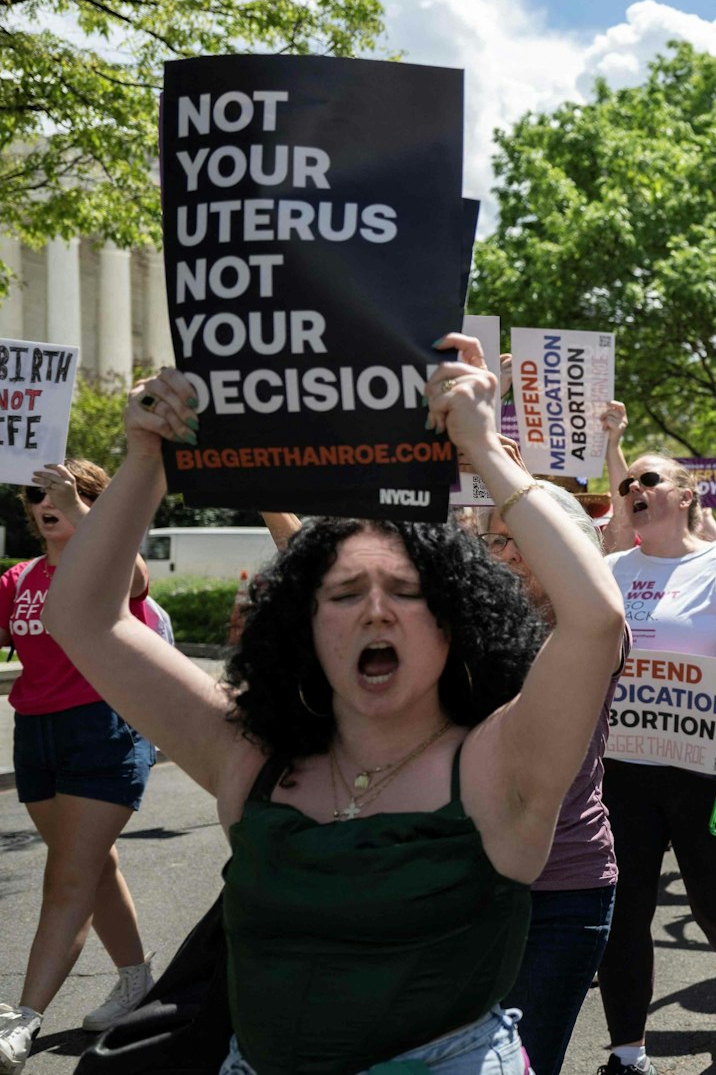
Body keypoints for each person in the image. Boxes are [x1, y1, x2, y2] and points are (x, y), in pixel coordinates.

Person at [34, 340, 625, 1075]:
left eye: (406, 592)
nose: (375, 611)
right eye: (343, 594)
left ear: (455, 623)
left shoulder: (497, 767)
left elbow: (596, 621)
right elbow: (85, 618)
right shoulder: (247, 752)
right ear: (302, 627)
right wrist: (148, 459)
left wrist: (482, 448)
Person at [598, 454, 716, 1073]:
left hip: (710, 767)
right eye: (627, 484)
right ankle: (628, 1054)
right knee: (622, 912)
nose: (634, 490)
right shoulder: (610, 571)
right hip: (622, 770)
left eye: (648, 480)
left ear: (684, 494)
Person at [0, 461, 156, 1072]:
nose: (46, 501)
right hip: (36, 733)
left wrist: (88, 511)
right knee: (92, 867)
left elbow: (136, 578)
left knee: (67, 876)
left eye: (61, 491)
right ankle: (137, 982)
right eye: (35, 493)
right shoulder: (20, 578)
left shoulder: (109, 559)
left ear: (88, 498)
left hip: (104, 727)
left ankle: (22, 1021)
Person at [479, 484, 622, 1075]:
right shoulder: (463, 631)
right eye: (496, 540)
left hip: (563, 890)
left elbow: (597, 605)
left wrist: (501, 470)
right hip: (469, 887)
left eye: (522, 539)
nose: (507, 553)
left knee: (527, 1063)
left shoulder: (589, 634)